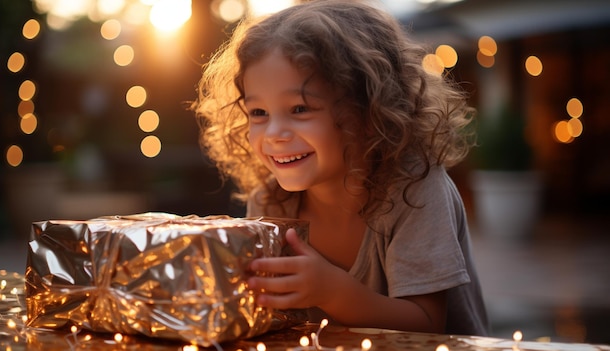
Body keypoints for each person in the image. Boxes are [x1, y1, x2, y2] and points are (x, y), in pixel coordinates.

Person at [193, 0, 489, 336]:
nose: (273, 134)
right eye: (258, 113)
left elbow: (426, 324)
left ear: (368, 107)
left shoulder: (415, 188)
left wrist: (333, 292)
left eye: (300, 108)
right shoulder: (271, 204)